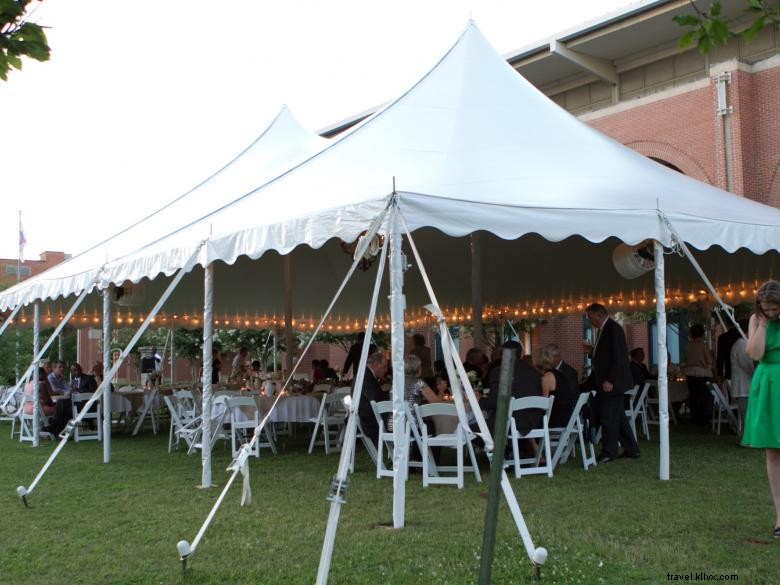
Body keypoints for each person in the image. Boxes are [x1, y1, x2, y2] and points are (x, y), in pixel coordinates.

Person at [743, 280, 780, 540]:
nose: (771, 313)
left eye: (774, 309)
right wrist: (764, 324)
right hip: (767, 385)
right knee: (773, 452)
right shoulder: (758, 321)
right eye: (766, 309)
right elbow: (754, 353)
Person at [584, 303, 639, 462]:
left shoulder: (613, 328)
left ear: (600, 315)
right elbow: (606, 355)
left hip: (612, 383)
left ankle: (609, 451)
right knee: (618, 417)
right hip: (607, 381)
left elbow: (619, 357)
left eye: (590, 317)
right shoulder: (604, 330)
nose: (589, 320)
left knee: (608, 416)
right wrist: (592, 351)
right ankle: (632, 449)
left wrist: (610, 379)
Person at [479, 340, 542, 436]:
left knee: (469, 428)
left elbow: (493, 402)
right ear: (520, 354)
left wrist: (479, 399)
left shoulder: (500, 371)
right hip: (533, 423)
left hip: (507, 425)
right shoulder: (535, 373)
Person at [355, 352, 388, 447]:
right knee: (400, 419)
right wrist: (392, 394)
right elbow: (377, 399)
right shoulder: (367, 376)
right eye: (384, 366)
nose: (386, 370)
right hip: (370, 422)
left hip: (367, 417)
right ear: (376, 364)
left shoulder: (365, 373)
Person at [540, 344, 577, 427]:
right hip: (562, 416)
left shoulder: (549, 376)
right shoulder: (558, 374)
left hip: (557, 419)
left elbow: (543, 403)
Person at [684, 323, 714, 425]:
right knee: (705, 396)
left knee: (693, 396)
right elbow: (709, 360)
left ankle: (694, 416)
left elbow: (686, 359)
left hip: (690, 373)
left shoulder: (688, 345)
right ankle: (704, 417)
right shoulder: (703, 345)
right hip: (702, 373)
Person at [729, 320, 754, 430]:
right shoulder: (742, 344)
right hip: (743, 386)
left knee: (749, 413)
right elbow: (748, 365)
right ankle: (746, 438)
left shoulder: (743, 343)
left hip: (745, 385)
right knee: (747, 414)